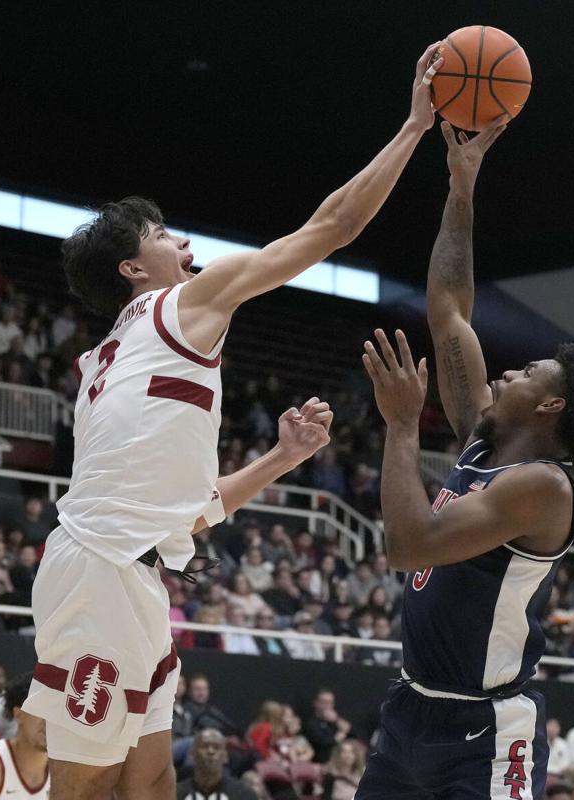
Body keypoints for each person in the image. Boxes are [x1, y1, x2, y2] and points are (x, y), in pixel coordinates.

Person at [23, 43, 445, 800]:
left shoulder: (102, 365)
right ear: (132, 268)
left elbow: (178, 506)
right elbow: (331, 228)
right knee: (83, 787)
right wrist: (414, 128)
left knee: (151, 780)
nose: (180, 241)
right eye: (160, 235)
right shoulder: (181, 305)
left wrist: (281, 458)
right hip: (100, 571)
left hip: (131, 569)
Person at [355, 116, 574, 798]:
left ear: (552, 407)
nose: (507, 374)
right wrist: (461, 188)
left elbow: (410, 546)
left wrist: (402, 427)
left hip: (483, 732)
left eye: (529, 372)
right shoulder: (484, 438)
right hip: (409, 708)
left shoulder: (543, 489)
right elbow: (448, 307)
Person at [176, 729, 256, 800]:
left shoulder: (244, 794)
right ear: (192, 754)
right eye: (205, 746)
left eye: (217, 747)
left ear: (225, 757)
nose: (211, 751)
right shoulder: (175, 793)